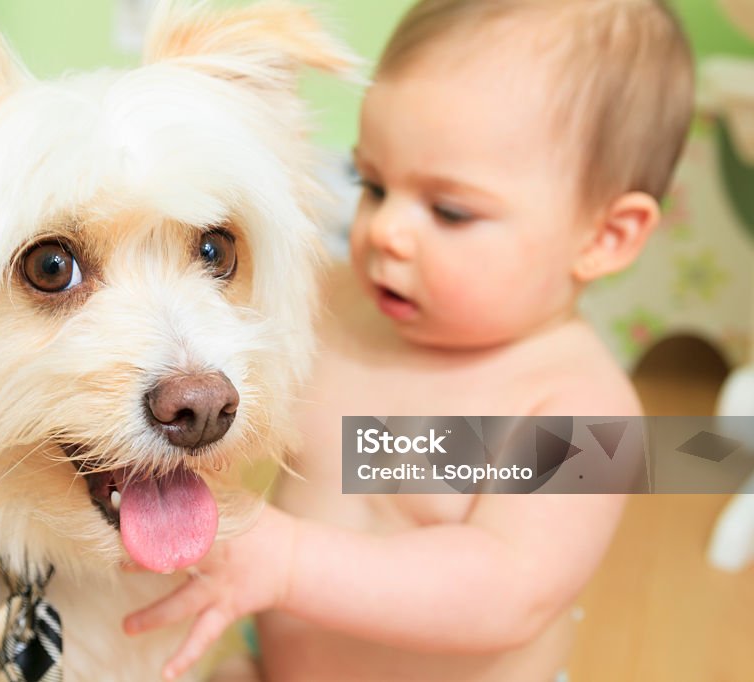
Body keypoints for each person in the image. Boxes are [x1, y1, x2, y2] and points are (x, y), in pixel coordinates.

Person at [124, 1, 695, 679]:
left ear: (606, 237)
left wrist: (289, 562)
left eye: (450, 211)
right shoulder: (333, 307)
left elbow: (505, 591)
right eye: (374, 184)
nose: (386, 230)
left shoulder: (579, 407)